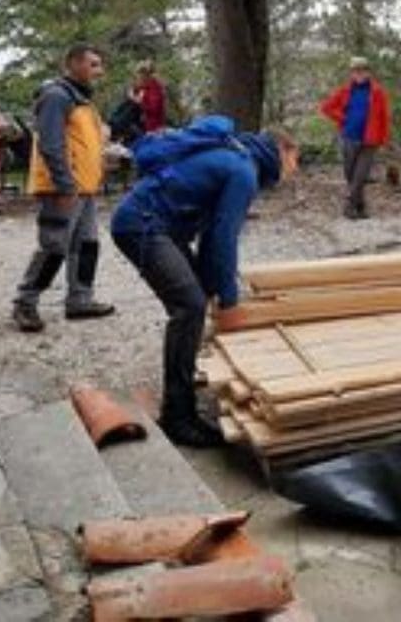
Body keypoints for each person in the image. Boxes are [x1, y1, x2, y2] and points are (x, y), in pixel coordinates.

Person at [110, 119, 299, 447]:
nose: (294, 170)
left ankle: (197, 374)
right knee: (189, 306)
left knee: (199, 291)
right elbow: (224, 237)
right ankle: (178, 416)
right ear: (283, 150)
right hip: (142, 225)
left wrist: (217, 286)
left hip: (158, 225)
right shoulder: (243, 171)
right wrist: (229, 300)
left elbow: (212, 236)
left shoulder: (236, 157)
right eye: (296, 160)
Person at [12, 44, 115, 332]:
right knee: (54, 247)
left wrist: (100, 162)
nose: (99, 71)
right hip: (63, 189)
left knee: (87, 245)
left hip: (84, 188)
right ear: (73, 65)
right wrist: (65, 185)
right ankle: (25, 303)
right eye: (93, 65)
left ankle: (80, 300)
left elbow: (82, 142)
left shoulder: (81, 99)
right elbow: (51, 144)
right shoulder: (56, 96)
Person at [320, 56, 391, 219]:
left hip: (370, 140)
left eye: (362, 70)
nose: (359, 74)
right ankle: (361, 206)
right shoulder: (345, 91)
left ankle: (349, 206)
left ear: (368, 72)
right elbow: (326, 108)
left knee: (360, 175)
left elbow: (385, 117)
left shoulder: (377, 92)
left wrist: (385, 139)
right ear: (351, 73)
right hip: (348, 138)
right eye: (355, 71)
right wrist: (342, 118)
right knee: (350, 175)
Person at [133, 59, 167, 132]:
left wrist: (138, 101)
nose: (138, 77)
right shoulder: (142, 87)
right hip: (143, 125)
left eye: (140, 74)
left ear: (145, 75)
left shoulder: (155, 88)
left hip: (153, 128)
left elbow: (153, 109)